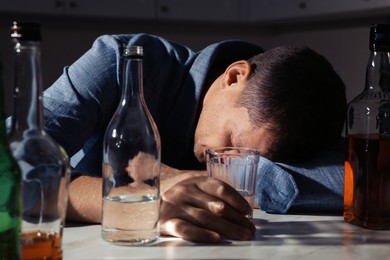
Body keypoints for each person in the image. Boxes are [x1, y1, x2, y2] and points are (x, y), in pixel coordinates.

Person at [42, 33, 346, 243]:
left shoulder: (299, 115)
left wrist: (200, 178)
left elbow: (369, 179)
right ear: (235, 76)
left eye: (249, 161)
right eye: (230, 141)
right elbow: (13, 169)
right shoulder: (117, 63)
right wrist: (143, 199)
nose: (228, 166)